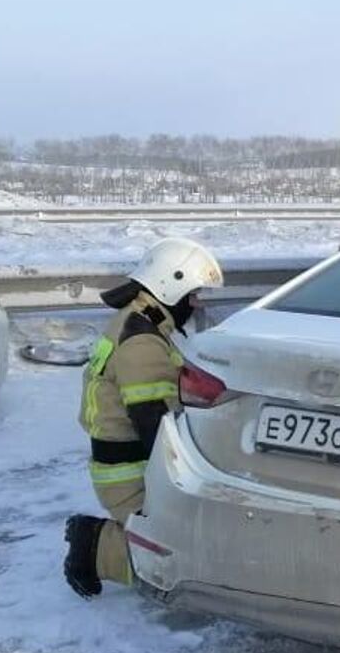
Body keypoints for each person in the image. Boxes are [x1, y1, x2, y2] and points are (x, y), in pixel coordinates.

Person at [64, 236, 223, 598]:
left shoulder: (138, 322)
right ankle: (96, 547)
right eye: (193, 295)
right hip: (131, 474)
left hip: (123, 466)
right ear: (172, 286)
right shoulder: (143, 342)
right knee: (180, 561)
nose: (196, 304)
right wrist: (188, 478)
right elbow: (153, 423)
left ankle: (104, 541)